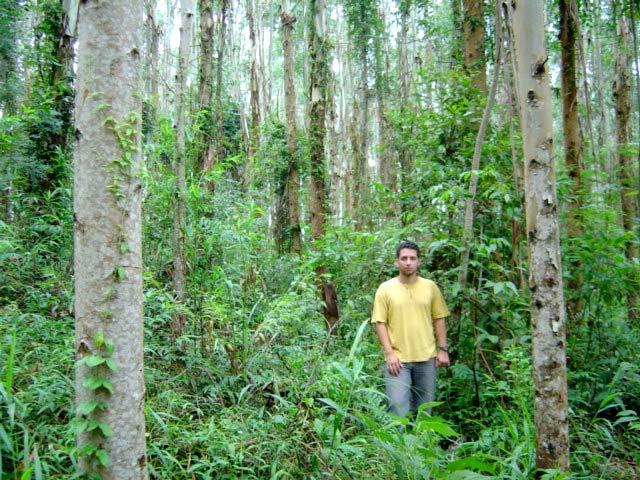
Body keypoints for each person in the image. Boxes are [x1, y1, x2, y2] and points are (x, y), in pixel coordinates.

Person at [371, 240, 450, 418]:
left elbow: (439, 318)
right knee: (397, 409)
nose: (408, 262)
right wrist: (389, 353)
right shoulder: (385, 289)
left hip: (427, 359)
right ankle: (399, 446)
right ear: (396, 262)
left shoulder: (430, 287)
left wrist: (443, 349)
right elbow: (379, 322)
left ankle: (422, 444)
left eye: (412, 258)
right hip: (398, 361)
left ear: (418, 262)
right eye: (404, 258)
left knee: (425, 411)